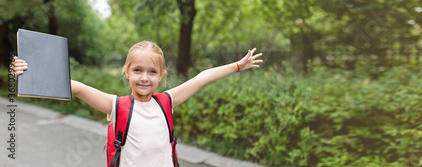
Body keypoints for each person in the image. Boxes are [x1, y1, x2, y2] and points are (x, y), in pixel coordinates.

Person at [12, 40, 263, 167]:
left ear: (162, 75)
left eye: (152, 72)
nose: (145, 78)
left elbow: (202, 78)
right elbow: (75, 87)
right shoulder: (115, 105)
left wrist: (238, 66)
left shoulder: (167, 101)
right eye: (138, 70)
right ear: (127, 72)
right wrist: (28, 72)